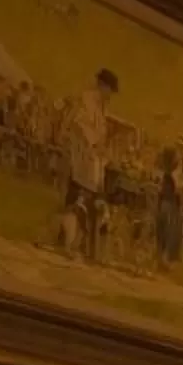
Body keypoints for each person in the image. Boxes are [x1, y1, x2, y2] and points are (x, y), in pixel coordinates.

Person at [62, 67, 118, 261]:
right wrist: (95, 142)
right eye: (110, 90)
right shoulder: (87, 99)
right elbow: (79, 124)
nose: (110, 95)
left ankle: (74, 244)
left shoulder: (101, 107)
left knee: (86, 203)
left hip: (91, 163)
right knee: (76, 202)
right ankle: (68, 243)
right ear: (103, 86)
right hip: (81, 158)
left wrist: (103, 149)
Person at [153, 146, 183, 269]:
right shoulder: (173, 174)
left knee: (162, 232)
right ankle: (165, 259)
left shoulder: (165, 173)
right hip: (170, 203)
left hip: (163, 203)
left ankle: (160, 258)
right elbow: (178, 190)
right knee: (170, 232)